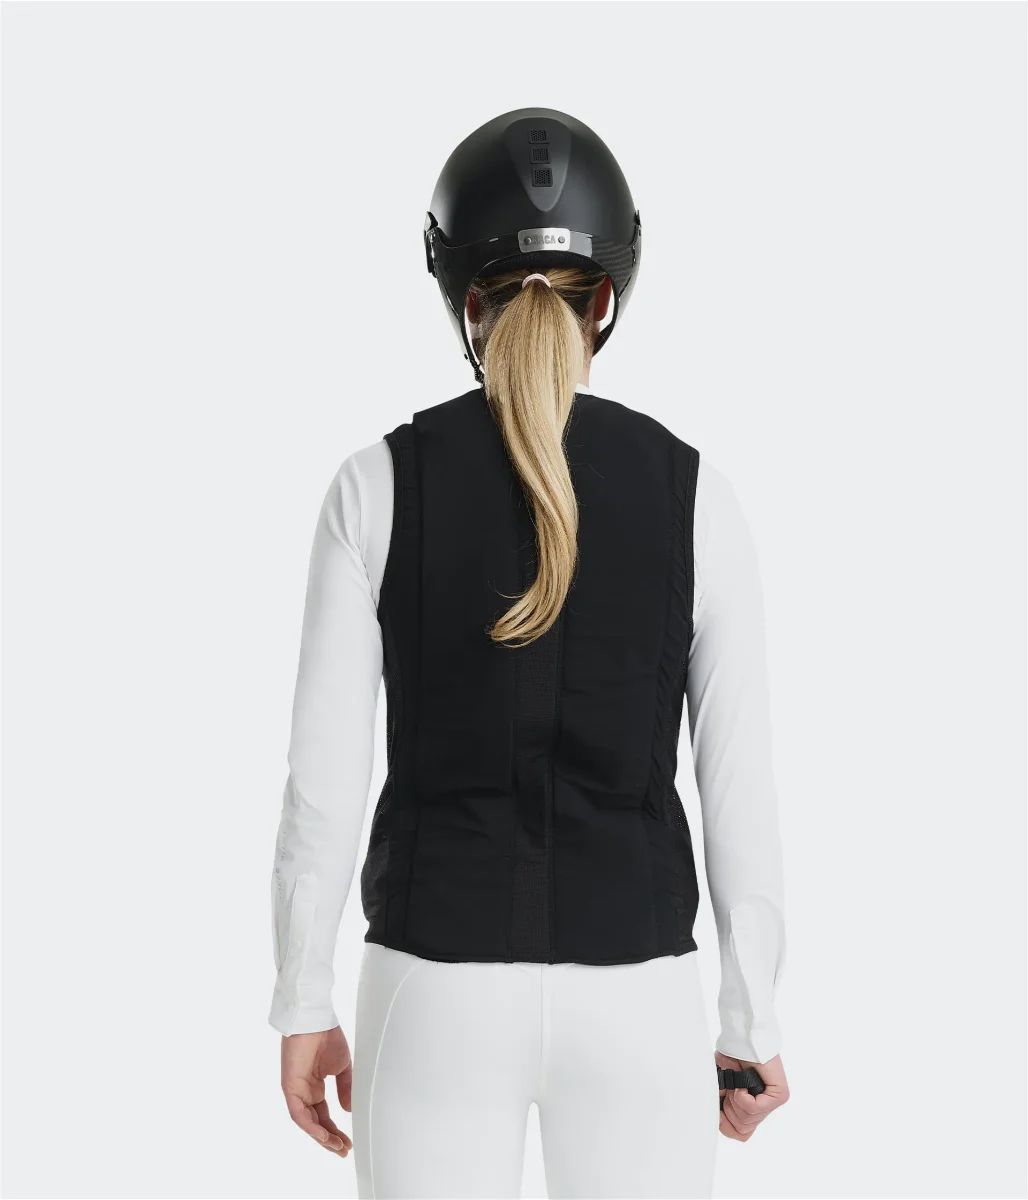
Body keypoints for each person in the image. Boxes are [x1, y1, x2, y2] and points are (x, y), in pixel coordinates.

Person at [269, 107, 789, 1200]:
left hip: (431, 990)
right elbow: (737, 783)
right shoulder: (695, 494)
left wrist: (303, 998)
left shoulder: (374, 485)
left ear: (465, 299)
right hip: (638, 996)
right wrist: (749, 1023)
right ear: (605, 301)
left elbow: (322, 782)